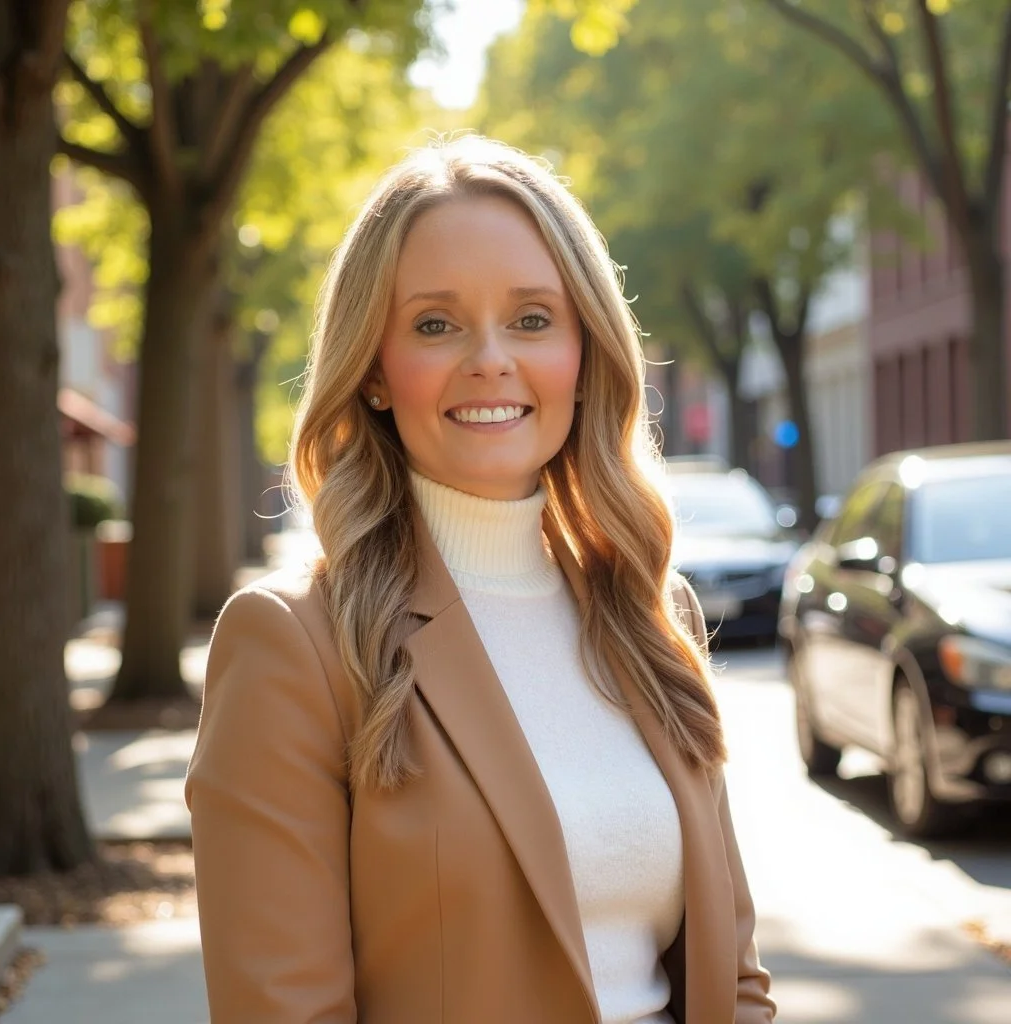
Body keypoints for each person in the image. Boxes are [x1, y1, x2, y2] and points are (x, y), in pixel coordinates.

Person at [185, 135, 775, 1024]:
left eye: (533, 318)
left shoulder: (653, 615)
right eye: (435, 324)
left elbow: (734, 983)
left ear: (584, 353)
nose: (490, 359)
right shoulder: (294, 645)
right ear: (376, 370)